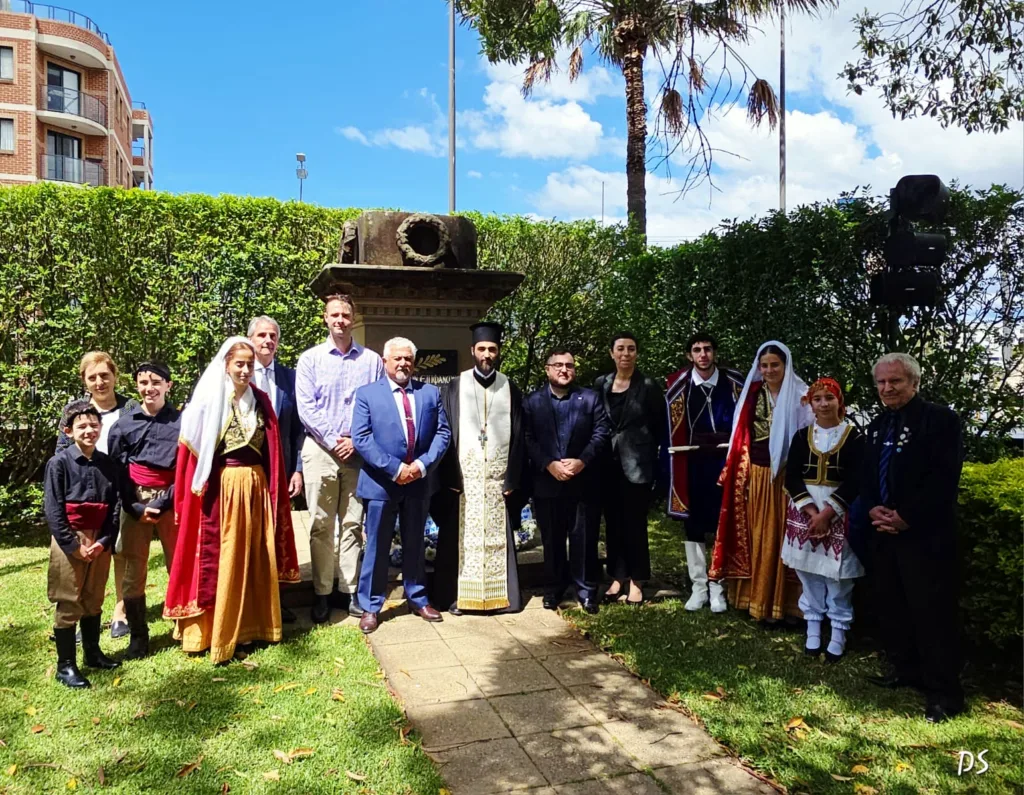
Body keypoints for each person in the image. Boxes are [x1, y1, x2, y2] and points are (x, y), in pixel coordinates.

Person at [164, 337, 301, 664]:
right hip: (222, 489)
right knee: (226, 554)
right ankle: (216, 633)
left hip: (255, 487)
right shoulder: (211, 401)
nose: (244, 370)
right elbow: (191, 454)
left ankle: (252, 627)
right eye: (239, 364)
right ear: (226, 365)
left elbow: (271, 450)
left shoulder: (262, 401)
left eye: (249, 365)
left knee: (254, 554)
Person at [861, 353, 965, 723]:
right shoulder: (876, 426)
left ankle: (944, 694)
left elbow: (944, 478)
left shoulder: (941, 421)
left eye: (895, 382)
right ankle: (905, 670)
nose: (887, 389)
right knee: (893, 605)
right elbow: (867, 477)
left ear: (915, 383)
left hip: (925, 536)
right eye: (881, 383)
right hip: (885, 534)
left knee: (931, 613)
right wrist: (873, 507)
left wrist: (906, 517)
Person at [351, 337, 452, 634]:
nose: (403, 364)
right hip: (382, 483)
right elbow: (361, 437)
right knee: (377, 546)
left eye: (408, 359)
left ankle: (418, 597)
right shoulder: (367, 394)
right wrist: (395, 469)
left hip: (418, 483)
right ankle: (371, 606)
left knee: (415, 543)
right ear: (385, 361)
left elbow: (442, 434)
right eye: (397, 358)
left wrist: (420, 467)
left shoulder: (430, 393)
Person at [296, 295, 385, 623]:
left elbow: (376, 404)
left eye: (346, 315)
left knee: (351, 523)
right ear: (325, 318)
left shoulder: (372, 361)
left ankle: (348, 591)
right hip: (320, 452)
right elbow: (307, 409)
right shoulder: (310, 360)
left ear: (353, 318)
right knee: (321, 524)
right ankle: (321, 591)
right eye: (334, 314)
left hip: (358, 454)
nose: (340, 320)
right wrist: (335, 441)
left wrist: (355, 443)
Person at [431, 322, 527, 615]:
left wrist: (512, 476)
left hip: (497, 482)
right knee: (459, 539)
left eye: (492, 349)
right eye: (482, 349)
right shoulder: (455, 387)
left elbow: (520, 436)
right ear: (472, 350)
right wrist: (450, 476)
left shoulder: (510, 387)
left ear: (498, 353)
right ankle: (457, 597)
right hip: (465, 481)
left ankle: (500, 597)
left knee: (498, 538)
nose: (487, 354)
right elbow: (444, 432)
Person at [710, 341, 811, 622]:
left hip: (789, 478)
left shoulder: (802, 395)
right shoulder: (752, 394)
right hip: (755, 472)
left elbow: (809, 437)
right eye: (764, 365)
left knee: (782, 536)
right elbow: (740, 434)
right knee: (757, 534)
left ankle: (785, 604)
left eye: (774, 365)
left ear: (785, 365)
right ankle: (753, 600)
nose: (769, 370)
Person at [56, 352, 139, 639]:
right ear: (84, 381)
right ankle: (81, 613)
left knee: (118, 551)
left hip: (119, 490)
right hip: (83, 496)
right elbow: (61, 453)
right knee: (84, 553)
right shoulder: (75, 410)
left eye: (105, 375)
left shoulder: (130, 408)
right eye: (92, 377)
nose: (100, 382)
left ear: (115, 375)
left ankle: (120, 612)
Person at [781, 378, 864, 661]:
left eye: (830, 397)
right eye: (818, 399)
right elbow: (792, 476)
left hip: (838, 512)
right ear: (810, 403)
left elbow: (857, 479)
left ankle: (839, 632)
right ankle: (813, 629)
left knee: (838, 575)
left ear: (839, 401)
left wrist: (828, 514)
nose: (824, 403)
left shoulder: (854, 437)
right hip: (805, 510)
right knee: (808, 572)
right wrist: (812, 513)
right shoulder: (801, 436)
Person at [523, 348, 611, 614]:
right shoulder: (532, 402)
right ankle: (554, 589)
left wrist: (581, 461)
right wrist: (549, 464)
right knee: (552, 539)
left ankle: (586, 591)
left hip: (583, 482)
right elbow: (527, 438)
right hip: (547, 482)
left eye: (569, 365)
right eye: (558, 365)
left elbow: (601, 433)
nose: (564, 370)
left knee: (584, 538)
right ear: (547, 369)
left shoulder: (591, 399)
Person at [106, 362, 181, 659]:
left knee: (179, 564)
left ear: (168, 386)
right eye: (142, 382)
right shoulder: (124, 424)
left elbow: (185, 469)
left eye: (155, 382)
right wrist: (134, 506)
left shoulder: (181, 422)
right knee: (133, 568)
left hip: (171, 501)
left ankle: (183, 623)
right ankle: (139, 635)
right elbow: (116, 469)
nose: (149, 388)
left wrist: (163, 502)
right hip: (133, 502)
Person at [664, 332, 743, 612]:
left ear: (715, 353)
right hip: (692, 463)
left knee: (724, 523)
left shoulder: (735, 383)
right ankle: (698, 587)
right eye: (697, 350)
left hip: (726, 463)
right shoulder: (677, 386)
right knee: (694, 525)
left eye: (708, 349)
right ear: (690, 356)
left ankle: (718, 587)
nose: (703, 355)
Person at [45, 401, 121, 688]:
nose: (89, 431)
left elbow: (115, 507)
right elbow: (53, 510)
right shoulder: (59, 464)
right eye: (82, 426)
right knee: (69, 598)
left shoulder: (107, 464)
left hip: (99, 540)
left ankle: (92, 652)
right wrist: (72, 545)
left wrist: (103, 541)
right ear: (69, 431)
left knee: (93, 597)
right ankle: (66, 665)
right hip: (71, 538)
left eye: (93, 425)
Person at [593, 332, 668, 606]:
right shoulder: (601, 383)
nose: (625, 354)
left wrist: (656, 463)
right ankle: (617, 577)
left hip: (637, 465)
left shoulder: (648, 385)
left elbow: (661, 428)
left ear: (637, 353)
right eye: (620, 349)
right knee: (612, 524)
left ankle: (637, 581)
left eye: (631, 349)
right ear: (612, 353)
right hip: (607, 466)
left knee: (634, 525)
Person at [249, 315, 305, 623]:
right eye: (261, 335)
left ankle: (275, 600)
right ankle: (250, 601)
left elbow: (298, 428)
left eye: (272, 336)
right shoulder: (238, 374)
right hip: (245, 470)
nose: (268, 340)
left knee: (276, 536)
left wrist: (296, 469)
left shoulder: (290, 378)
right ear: (251, 340)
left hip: (280, 470)